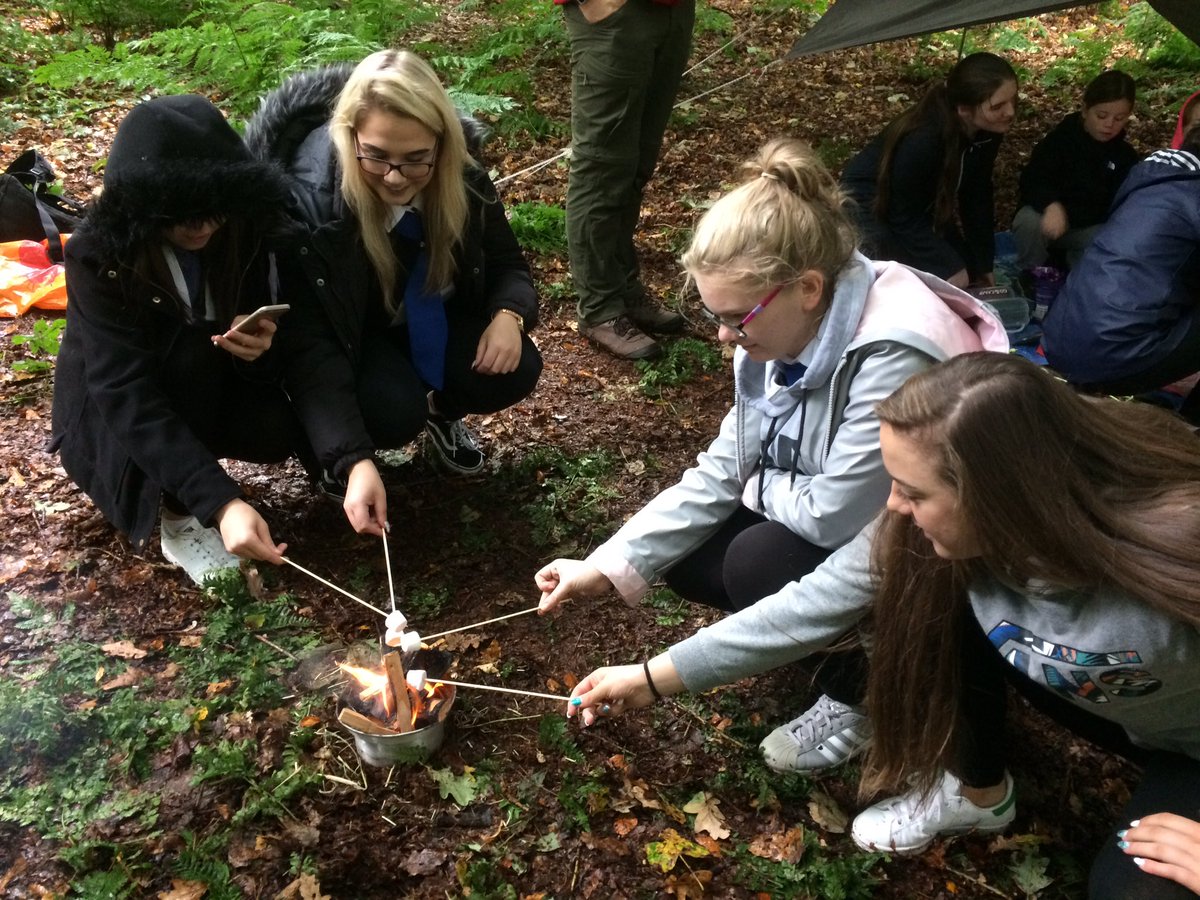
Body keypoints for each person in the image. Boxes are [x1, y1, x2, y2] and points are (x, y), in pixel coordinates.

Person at [566, 352, 1200, 900]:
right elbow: (807, 606)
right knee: (933, 602)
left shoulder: (1174, 557)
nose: (892, 507)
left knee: (1133, 888)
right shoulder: (955, 536)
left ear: (1001, 493)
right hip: (1117, 708)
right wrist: (649, 679)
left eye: (913, 493)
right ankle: (979, 792)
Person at [536, 138, 1006, 774]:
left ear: (808, 288)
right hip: (830, 506)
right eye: (711, 313)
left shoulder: (894, 358)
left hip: (936, 551)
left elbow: (838, 520)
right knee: (688, 554)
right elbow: (725, 467)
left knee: (761, 559)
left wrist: (757, 485)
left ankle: (872, 689)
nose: (724, 336)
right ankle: (851, 656)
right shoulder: (772, 334)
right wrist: (608, 563)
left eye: (735, 317)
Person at [246, 50, 543, 536]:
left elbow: (507, 263)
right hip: (353, 341)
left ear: (441, 144)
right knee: (390, 410)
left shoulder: (464, 177)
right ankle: (327, 454)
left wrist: (509, 313)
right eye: (377, 156)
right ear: (350, 137)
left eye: (415, 160)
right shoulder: (314, 206)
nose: (395, 177)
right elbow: (312, 347)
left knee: (516, 367)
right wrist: (354, 459)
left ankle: (442, 414)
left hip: (428, 320)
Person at [50, 95, 296, 586]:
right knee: (187, 355)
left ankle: (193, 487)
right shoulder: (99, 257)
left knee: (274, 422)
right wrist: (219, 503)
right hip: (115, 416)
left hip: (207, 386)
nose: (203, 227)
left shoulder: (240, 230)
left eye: (214, 212)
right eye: (183, 215)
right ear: (143, 207)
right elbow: (123, 390)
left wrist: (257, 352)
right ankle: (179, 519)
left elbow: (264, 327)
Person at [555, 0, 696, 360]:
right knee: (601, 168)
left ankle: (621, 289)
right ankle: (599, 307)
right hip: (615, 17)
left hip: (673, 12)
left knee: (635, 165)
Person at [1041, 124, 1200, 425]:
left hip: (1058, 340)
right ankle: (1192, 426)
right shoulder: (1192, 193)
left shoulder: (1149, 180)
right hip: (1113, 358)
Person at [840, 52, 1017, 288]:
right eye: (998, 106)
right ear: (964, 110)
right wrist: (947, 268)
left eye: (1014, 100)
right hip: (870, 206)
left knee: (969, 270)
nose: (1011, 112)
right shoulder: (924, 140)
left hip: (922, 202)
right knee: (940, 279)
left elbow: (977, 196)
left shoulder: (988, 131)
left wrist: (984, 263)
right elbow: (903, 215)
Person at [1011, 69, 1139, 272]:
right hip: (1049, 224)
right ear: (1085, 109)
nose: (1109, 124)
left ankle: (1078, 281)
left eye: (1119, 118)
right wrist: (1051, 205)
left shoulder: (1125, 156)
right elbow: (1033, 179)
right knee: (1029, 221)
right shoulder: (1061, 140)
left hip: (1087, 232)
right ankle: (1028, 275)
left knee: (1114, 237)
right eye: (1102, 115)